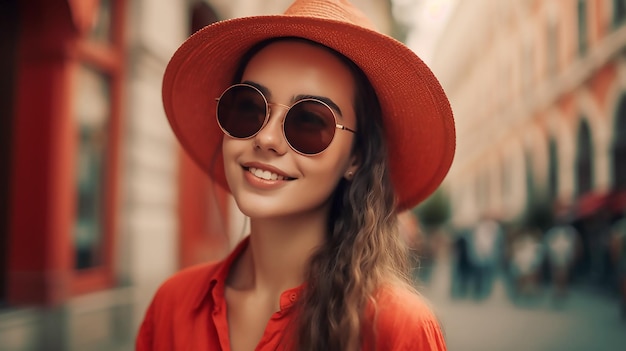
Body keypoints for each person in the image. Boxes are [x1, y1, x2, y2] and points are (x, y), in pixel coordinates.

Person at [136, 0, 455, 350]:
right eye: (249, 107)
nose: (267, 139)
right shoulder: (172, 304)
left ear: (356, 157)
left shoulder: (397, 328)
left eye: (309, 121)